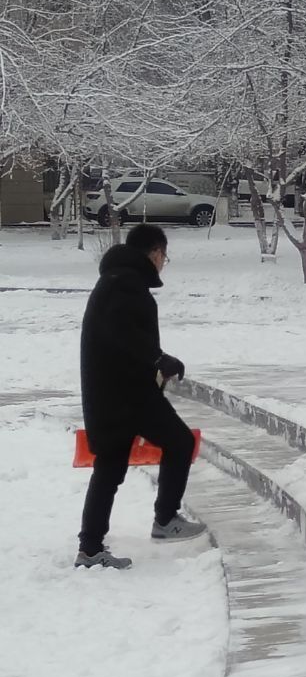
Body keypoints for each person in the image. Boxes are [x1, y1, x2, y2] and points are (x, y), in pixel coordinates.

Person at [76, 224, 206, 569]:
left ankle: (89, 548)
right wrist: (158, 359)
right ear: (155, 253)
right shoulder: (126, 284)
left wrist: (154, 360)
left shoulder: (115, 280)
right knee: (178, 442)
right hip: (128, 394)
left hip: (110, 393)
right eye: (165, 256)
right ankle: (165, 519)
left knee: (110, 467)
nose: (164, 263)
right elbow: (124, 335)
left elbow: (120, 335)